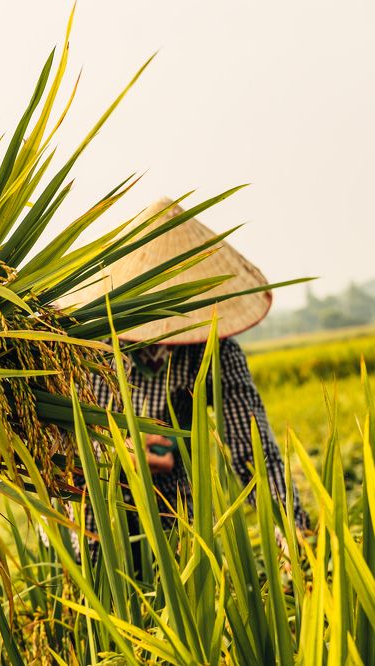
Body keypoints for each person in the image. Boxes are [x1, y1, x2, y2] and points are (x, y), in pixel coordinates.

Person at [70, 198, 308, 556]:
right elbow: (49, 432)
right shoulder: (82, 343)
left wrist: (290, 523)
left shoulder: (213, 351)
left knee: (175, 601)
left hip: (172, 513)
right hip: (89, 515)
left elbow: (253, 450)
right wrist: (118, 451)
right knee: (97, 600)